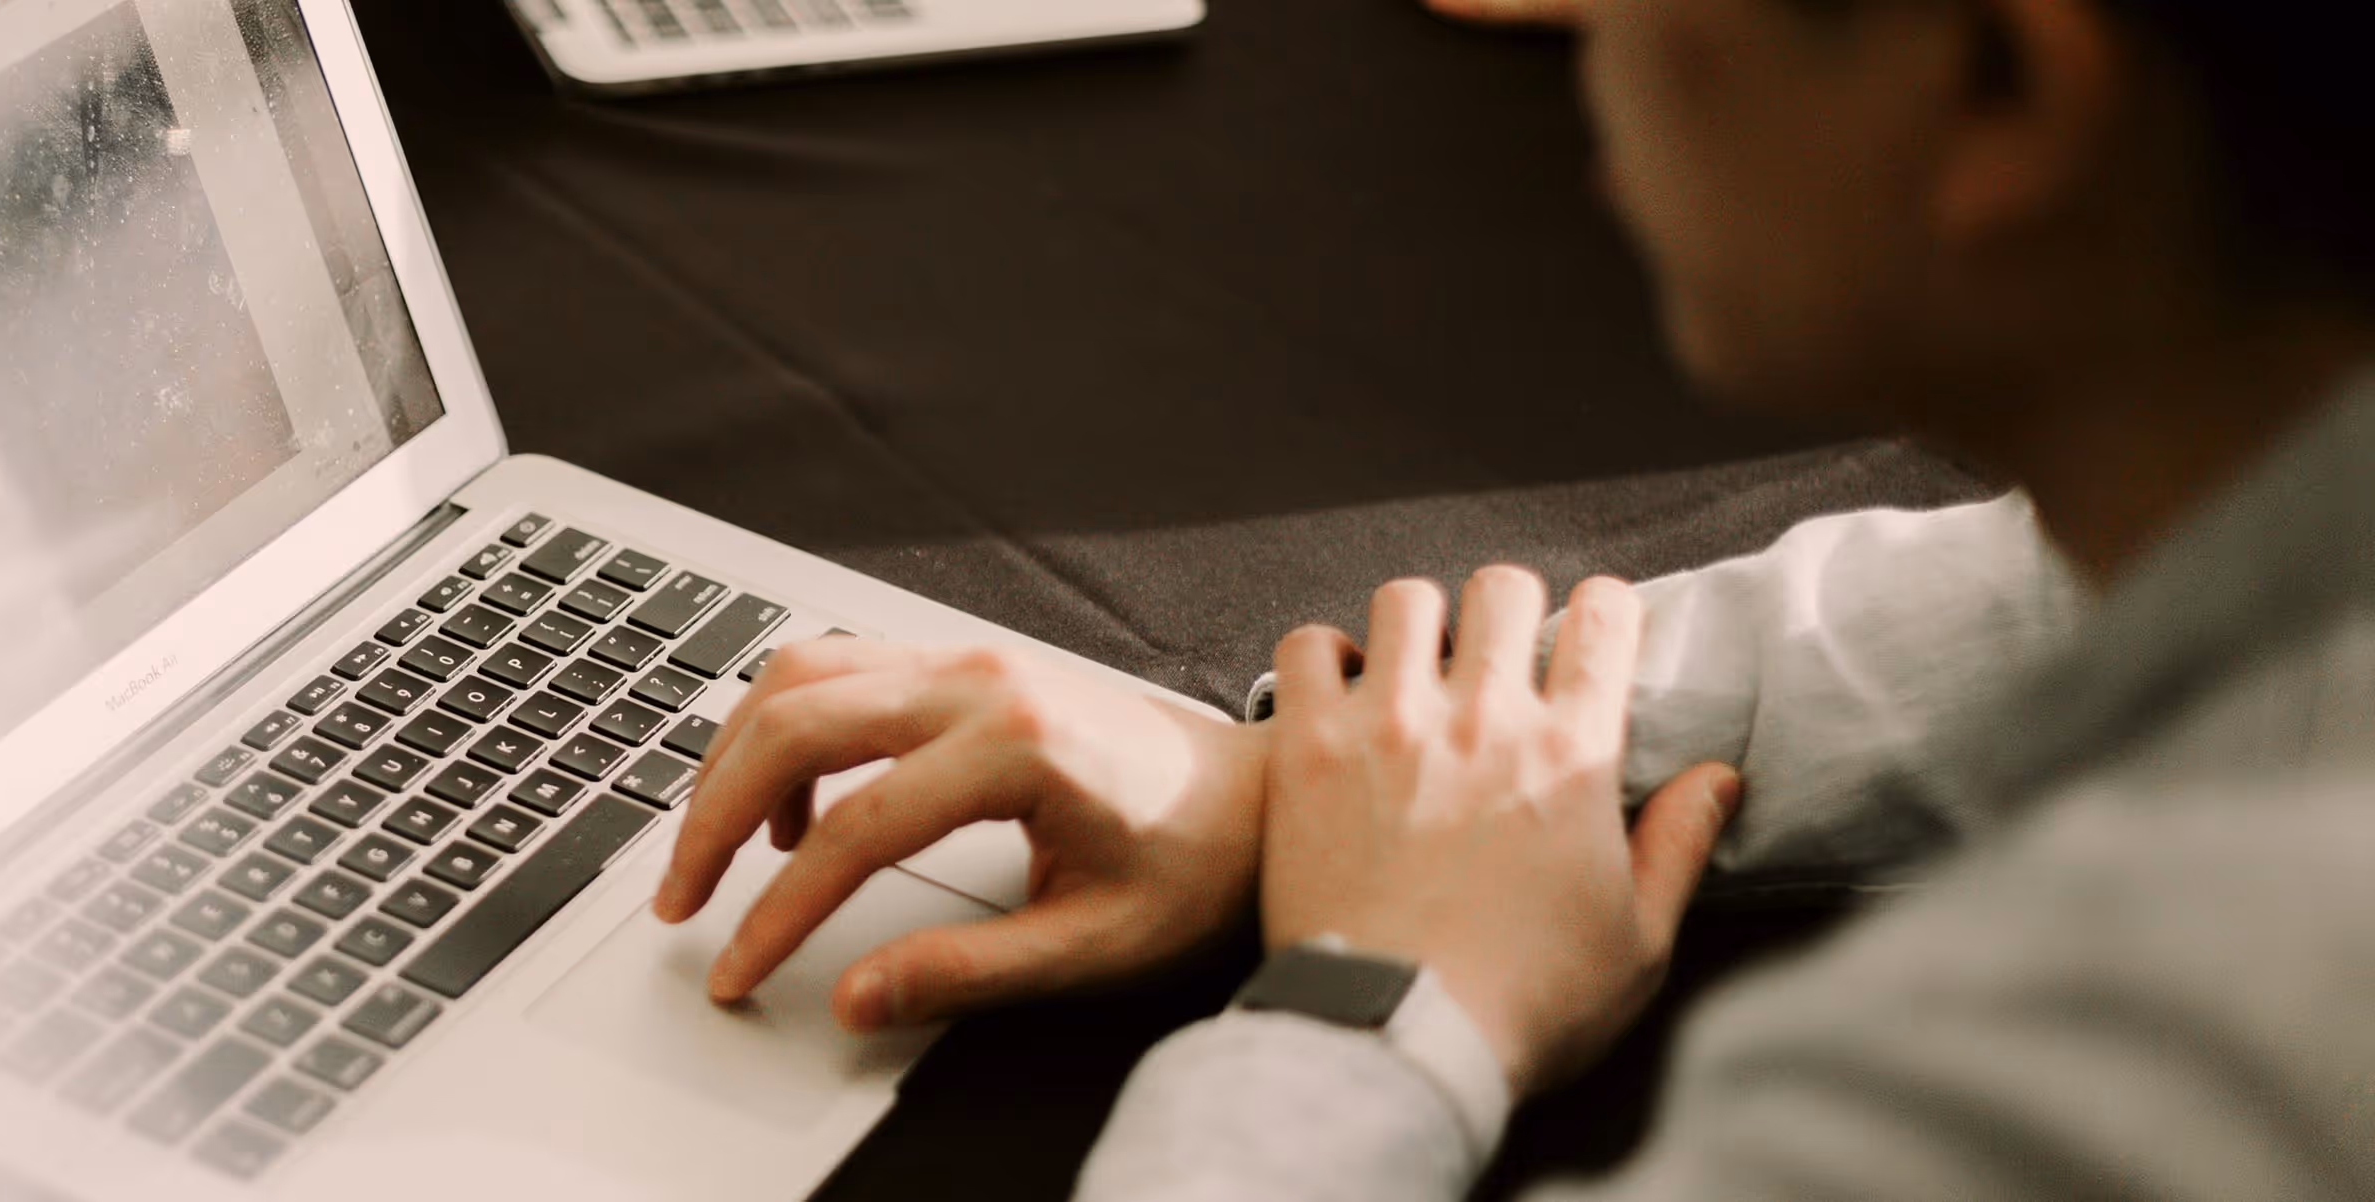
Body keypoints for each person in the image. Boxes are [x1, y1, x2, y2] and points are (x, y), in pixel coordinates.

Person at [656, 0, 2375, 1197]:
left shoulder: (2179, 1051)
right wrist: (1333, 780)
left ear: (2003, 85)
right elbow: (2040, 601)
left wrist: (1377, 1005)